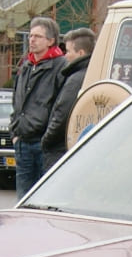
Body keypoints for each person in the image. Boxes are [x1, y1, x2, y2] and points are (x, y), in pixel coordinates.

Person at [9, 16, 65, 195]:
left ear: (51, 41)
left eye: (37, 36)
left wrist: (48, 137)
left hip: (44, 145)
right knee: (23, 197)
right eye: (30, 35)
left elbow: (61, 106)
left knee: (46, 196)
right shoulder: (25, 66)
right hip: (22, 142)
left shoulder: (61, 67)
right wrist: (14, 132)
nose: (32, 40)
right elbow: (16, 102)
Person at [39, 27, 95, 172]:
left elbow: (61, 114)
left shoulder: (74, 80)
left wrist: (46, 140)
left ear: (80, 53)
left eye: (69, 51)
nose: (65, 56)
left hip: (59, 150)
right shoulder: (93, 74)